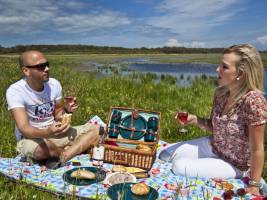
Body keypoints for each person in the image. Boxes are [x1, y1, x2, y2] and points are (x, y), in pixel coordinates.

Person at [159, 44, 266, 195]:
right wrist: (194, 119)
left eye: (224, 67)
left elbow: (257, 148)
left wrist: (254, 184)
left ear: (240, 74)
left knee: (178, 166)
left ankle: (240, 175)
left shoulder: (254, 101)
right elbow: (213, 126)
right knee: (165, 154)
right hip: (213, 145)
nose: (217, 69)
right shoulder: (221, 93)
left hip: (234, 163)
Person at [6, 50, 101, 168]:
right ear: (26, 71)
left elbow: (57, 115)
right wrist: (46, 132)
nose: (46, 69)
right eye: (40, 67)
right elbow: (24, 128)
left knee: (99, 129)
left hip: (55, 133)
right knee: (42, 149)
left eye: (47, 64)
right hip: (32, 138)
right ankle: (69, 150)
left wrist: (67, 110)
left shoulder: (54, 84)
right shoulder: (15, 91)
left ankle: (63, 155)